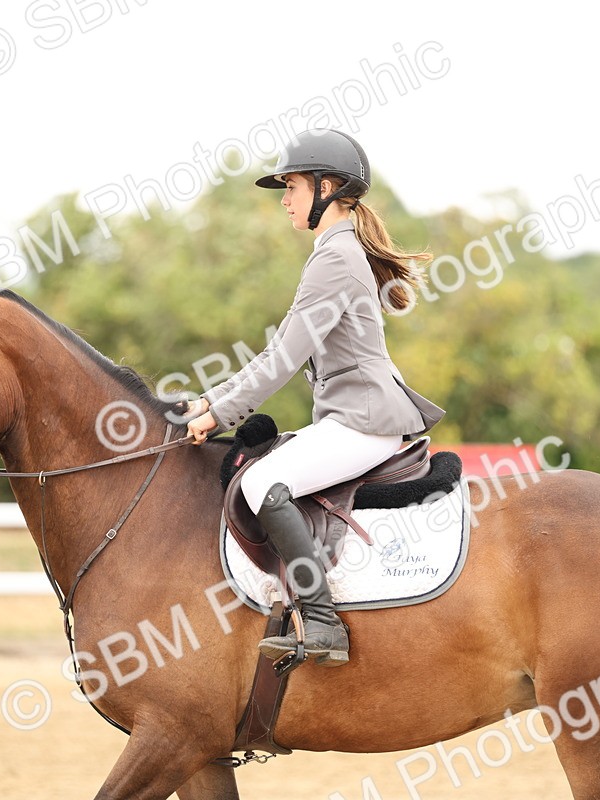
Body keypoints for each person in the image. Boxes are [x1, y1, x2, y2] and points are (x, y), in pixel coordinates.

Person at [186, 129, 444, 666]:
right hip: (353, 418)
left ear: (326, 188)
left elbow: (283, 359)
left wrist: (220, 414)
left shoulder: (335, 258)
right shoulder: (336, 250)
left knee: (261, 483)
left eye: (292, 187)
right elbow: (277, 351)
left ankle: (323, 622)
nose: (285, 200)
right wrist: (209, 402)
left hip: (363, 422)